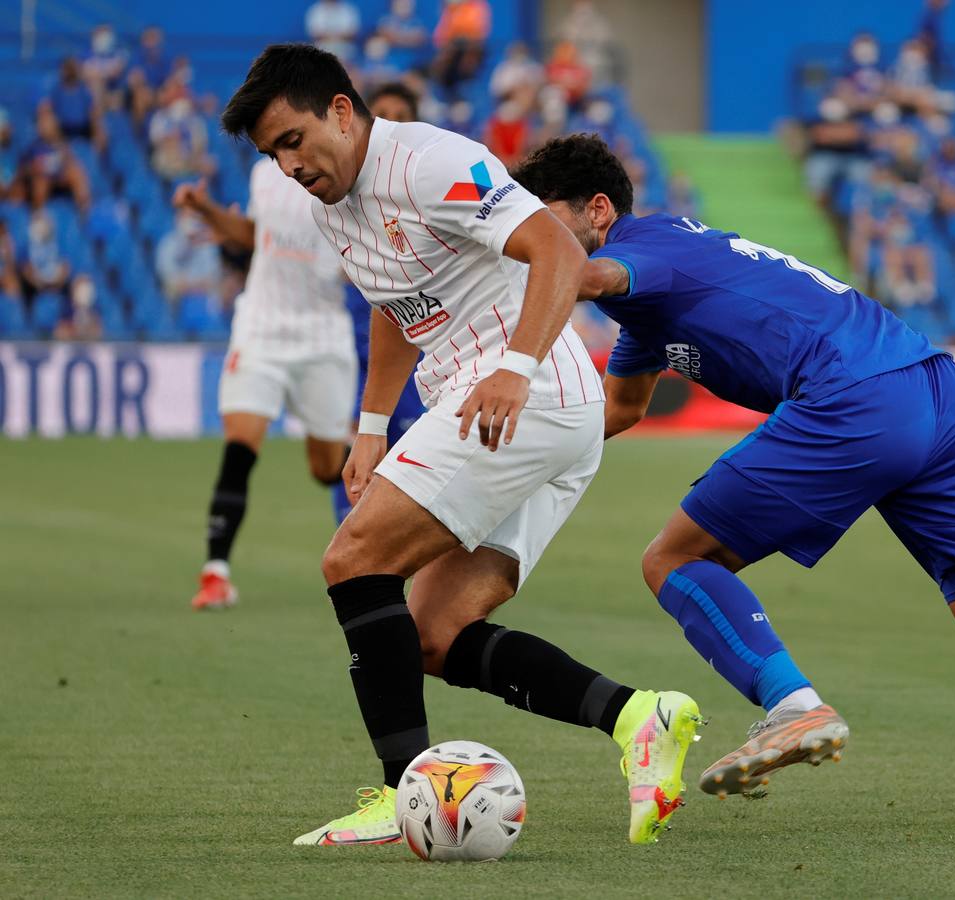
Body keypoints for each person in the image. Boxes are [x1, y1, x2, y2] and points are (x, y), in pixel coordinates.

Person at [513, 133, 955, 829]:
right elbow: (621, 408)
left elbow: (580, 274)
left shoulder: (646, 251)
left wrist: (497, 318)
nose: (530, 244)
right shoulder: (651, 301)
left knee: (674, 559)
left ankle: (792, 706)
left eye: (541, 224)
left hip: (857, 397)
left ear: (598, 209)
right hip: (937, 393)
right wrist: (502, 455)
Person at [220, 43, 702, 847]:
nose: (288, 165)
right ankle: (637, 717)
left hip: (527, 390)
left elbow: (556, 248)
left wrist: (516, 367)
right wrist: (371, 425)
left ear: (341, 109)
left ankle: (397, 791)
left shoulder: (433, 162)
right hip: (511, 407)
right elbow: (391, 303)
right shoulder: (333, 210)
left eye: (294, 140)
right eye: (274, 155)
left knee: (353, 559)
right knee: (434, 633)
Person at [172, 131, 355, 611]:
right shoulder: (263, 176)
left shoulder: (348, 180)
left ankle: (362, 450)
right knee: (240, 445)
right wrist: (206, 209)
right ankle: (216, 573)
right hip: (261, 328)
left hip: (322, 335)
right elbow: (256, 237)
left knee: (325, 469)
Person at [331, 81, 430, 526]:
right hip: (353, 362)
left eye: (399, 114)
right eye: (382, 113)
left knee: (414, 478)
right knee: (351, 472)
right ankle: (357, 576)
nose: (390, 122)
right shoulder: (342, 202)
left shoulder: (428, 194)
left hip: (414, 365)